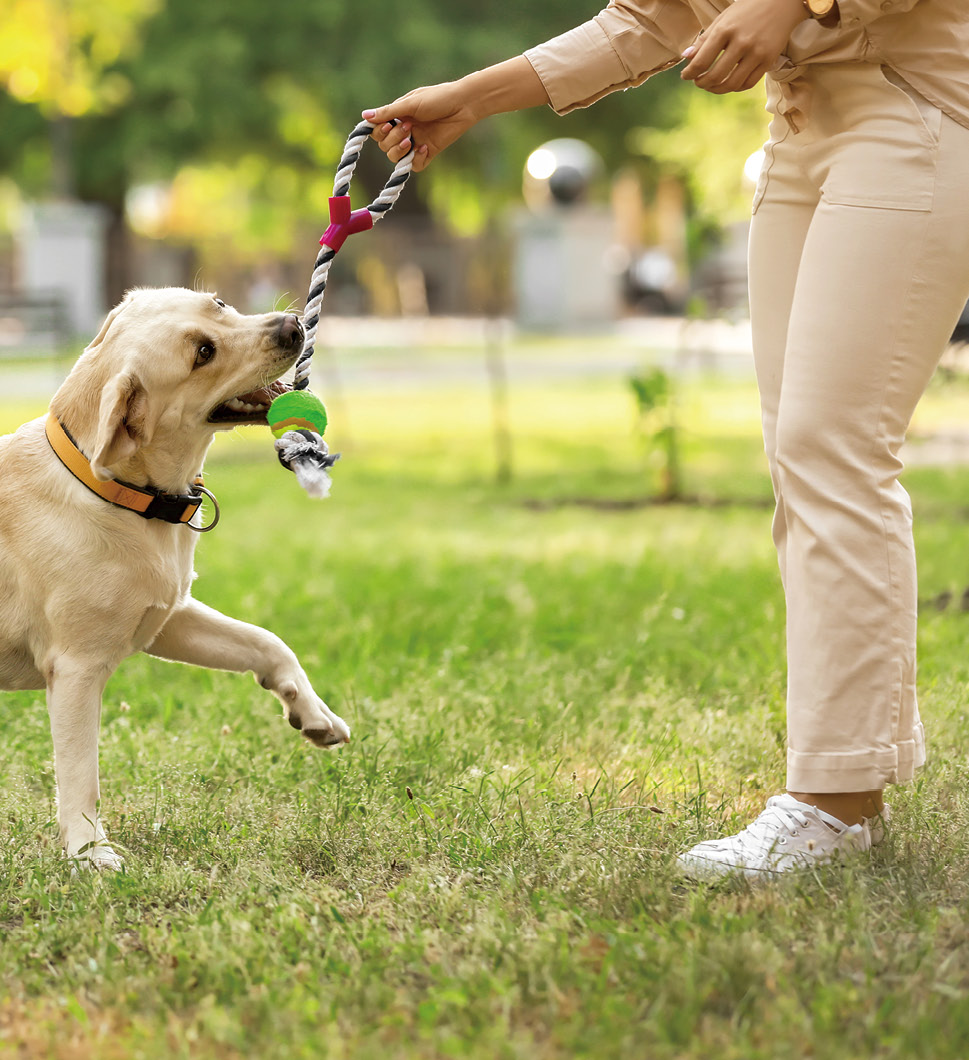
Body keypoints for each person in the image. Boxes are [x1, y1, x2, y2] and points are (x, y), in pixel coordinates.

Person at [364, 0, 969, 879]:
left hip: (914, 111)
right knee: (800, 462)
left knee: (830, 448)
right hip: (800, 130)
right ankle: (849, 790)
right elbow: (648, 20)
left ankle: (831, 803)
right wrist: (470, 98)